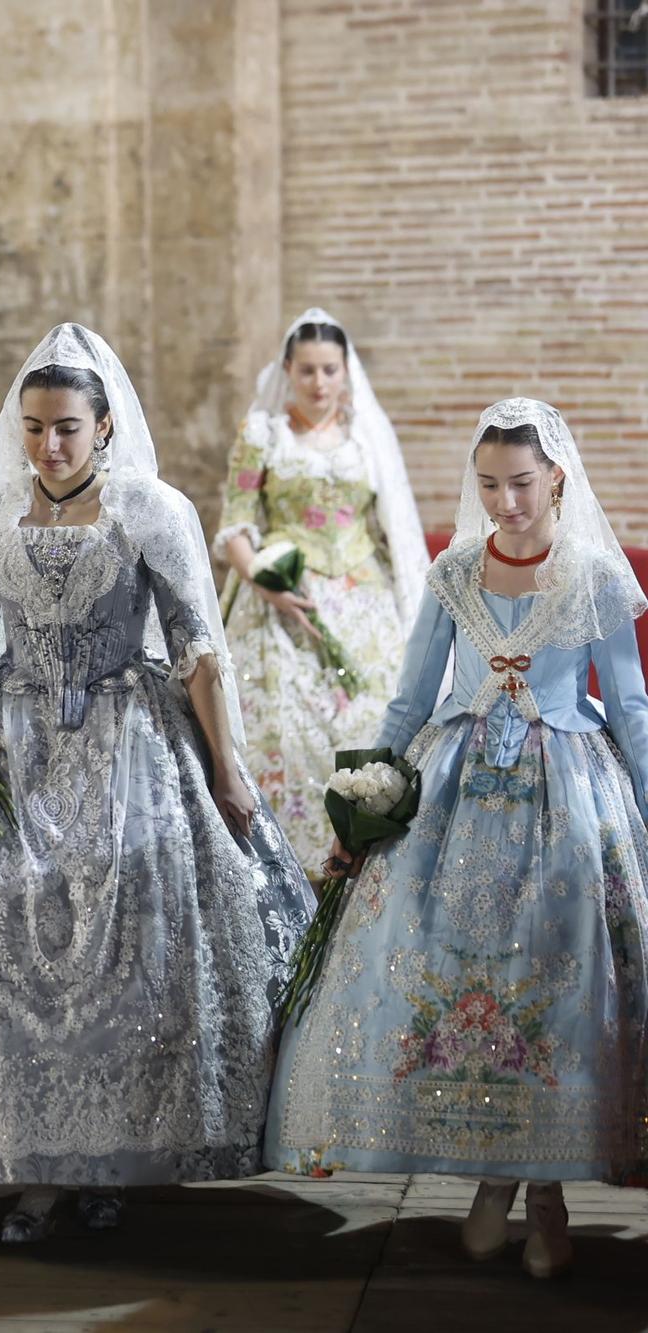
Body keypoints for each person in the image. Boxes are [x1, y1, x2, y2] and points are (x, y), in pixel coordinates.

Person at [0, 323, 313, 1243]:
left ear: (104, 426)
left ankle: (116, 1160)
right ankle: (31, 1164)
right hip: (16, 739)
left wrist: (227, 770)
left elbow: (197, 645)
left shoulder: (151, 509)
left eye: (66, 426)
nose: (47, 444)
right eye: (32, 427)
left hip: (129, 741)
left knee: (132, 944)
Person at [266, 398, 648, 1280]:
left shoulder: (593, 576)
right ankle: (491, 1179)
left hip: (566, 797)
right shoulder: (454, 573)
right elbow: (408, 698)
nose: (505, 501)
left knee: (549, 987)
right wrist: (369, 801)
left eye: (521, 483)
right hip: (455, 795)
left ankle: (547, 1194)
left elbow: (628, 707)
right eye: (488, 485)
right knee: (460, 982)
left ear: (556, 477)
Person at [214, 310, 429, 870]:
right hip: (281, 604)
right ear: (287, 370)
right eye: (306, 370)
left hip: (364, 599)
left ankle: (359, 859)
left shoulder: (366, 439)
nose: (318, 383)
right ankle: (284, 872)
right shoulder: (263, 434)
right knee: (281, 737)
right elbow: (235, 525)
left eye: (329, 370)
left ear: (345, 371)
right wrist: (268, 586)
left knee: (371, 725)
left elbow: (391, 527)